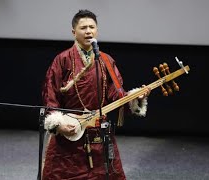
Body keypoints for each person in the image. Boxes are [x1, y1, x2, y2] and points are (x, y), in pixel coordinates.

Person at [41, 9, 151, 180]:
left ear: (97, 30)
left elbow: (117, 93)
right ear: (73, 32)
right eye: (83, 27)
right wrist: (57, 125)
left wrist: (136, 98)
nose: (88, 31)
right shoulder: (62, 60)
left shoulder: (106, 60)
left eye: (92, 27)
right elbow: (50, 95)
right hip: (70, 133)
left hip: (100, 134)